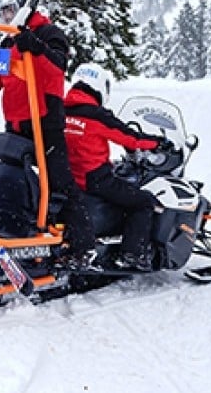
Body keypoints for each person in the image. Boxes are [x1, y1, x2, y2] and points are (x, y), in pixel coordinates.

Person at [0, 0, 95, 267]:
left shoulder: (49, 33)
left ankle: (82, 247)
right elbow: (1, 74)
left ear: (24, 5)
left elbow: (58, 66)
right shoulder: (10, 39)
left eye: (10, 11)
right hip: (15, 124)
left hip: (45, 122)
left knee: (59, 183)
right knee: (7, 175)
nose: (6, 18)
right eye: (1, 14)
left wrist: (37, 48)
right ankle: (10, 222)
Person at [63, 63, 168, 271]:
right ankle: (132, 254)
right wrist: (158, 143)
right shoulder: (96, 115)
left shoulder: (61, 112)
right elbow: (130, 137)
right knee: (143, 201)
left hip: (68, 178)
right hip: (94, 178)